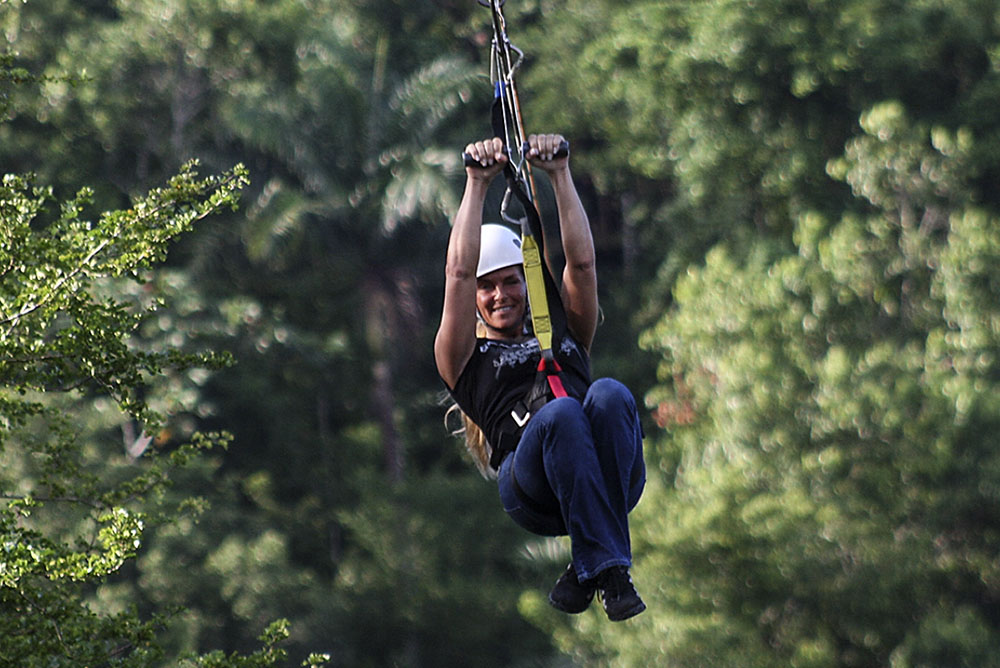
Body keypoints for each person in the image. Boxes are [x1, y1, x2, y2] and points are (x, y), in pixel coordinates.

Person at [435, 133, 647, 621]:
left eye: (511, 279)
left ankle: (590, 568)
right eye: (488, 287)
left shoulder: (567, 328)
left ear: (526, 284)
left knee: (609, 393)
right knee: (563, 413)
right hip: (533, 487)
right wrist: (476, 183)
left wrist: (560, 174)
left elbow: (583, 263)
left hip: (609, 475)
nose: (499, 294)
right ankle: (608, 568)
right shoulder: (463, 356)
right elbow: (458, 274)